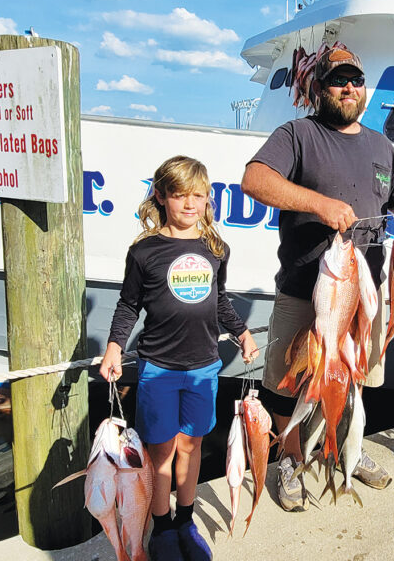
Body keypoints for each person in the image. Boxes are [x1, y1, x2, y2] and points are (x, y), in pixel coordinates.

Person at [240, 45, 394, 510]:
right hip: (304, 290)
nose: (349, 88)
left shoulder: (380, 145)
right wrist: (318, 204)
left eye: (356, 79)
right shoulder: (298, 134)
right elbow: (254, 180)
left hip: (363, 292)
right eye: (338, 80)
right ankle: (290, 460)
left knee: (351, 378)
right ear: (319, 88)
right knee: (288, 381)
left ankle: (346, 450)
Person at [99, 155, 258, 561]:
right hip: (158, 368)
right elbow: (128, 305)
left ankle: (185, 519)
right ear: (161, 196)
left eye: (198, 196)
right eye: (179, 195)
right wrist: (115, 346)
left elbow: (219, 300)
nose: (190, 204)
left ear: (208, 199)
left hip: (205, 365)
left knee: (192, 444)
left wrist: (241, 332)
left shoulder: (215, 248)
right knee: (160, 451)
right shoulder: (144, 252)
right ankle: (162, 525)